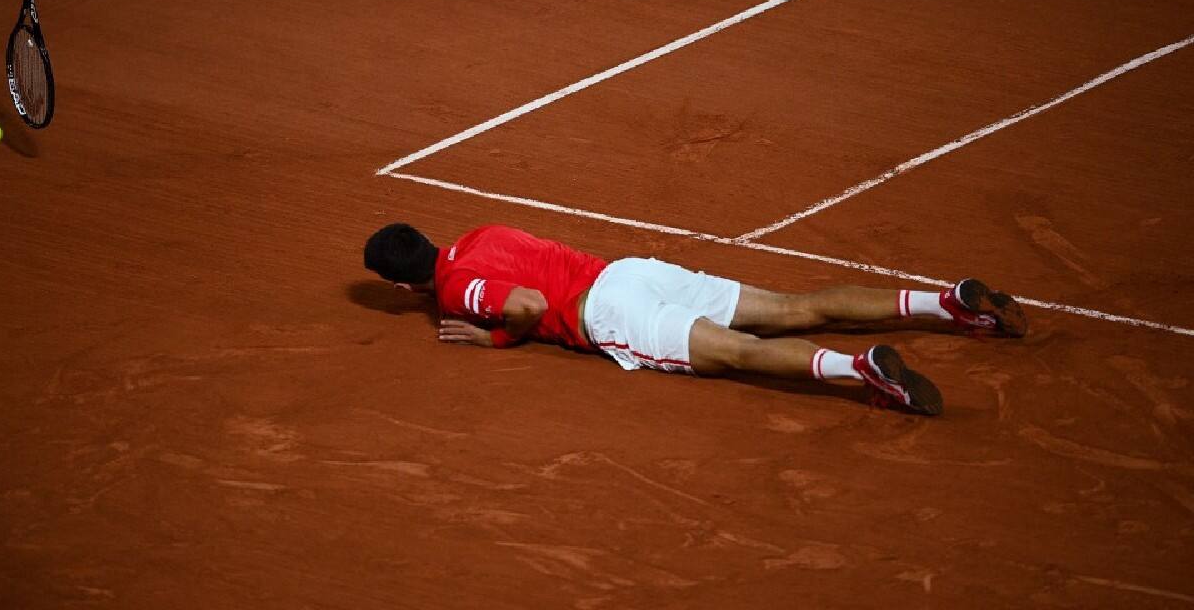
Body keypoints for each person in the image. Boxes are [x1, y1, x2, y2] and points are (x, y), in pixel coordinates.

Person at [362, 223, 1027, 415]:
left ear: (401, 283)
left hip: (613, 314)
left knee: (736, 352)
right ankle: (945, 303)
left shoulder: (454, 288)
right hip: (631, 272)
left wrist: (492, 334)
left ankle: (859, 371)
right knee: (796, 308)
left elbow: (527, 307)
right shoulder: (482, 234)